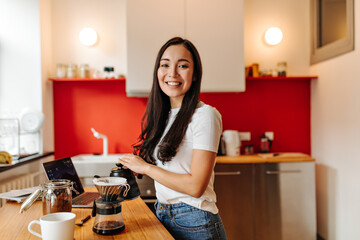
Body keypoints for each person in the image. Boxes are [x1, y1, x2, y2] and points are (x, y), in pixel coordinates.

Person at [117, 37, 227, 240]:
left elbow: (196, 187)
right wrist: (140, 165)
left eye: (183, 66)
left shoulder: (206, 115)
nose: (172, 73)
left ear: (194, 75)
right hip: (163, 214)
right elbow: (172, 169)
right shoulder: (164, 116)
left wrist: (146, 168)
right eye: (165, 65)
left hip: (196, 222)